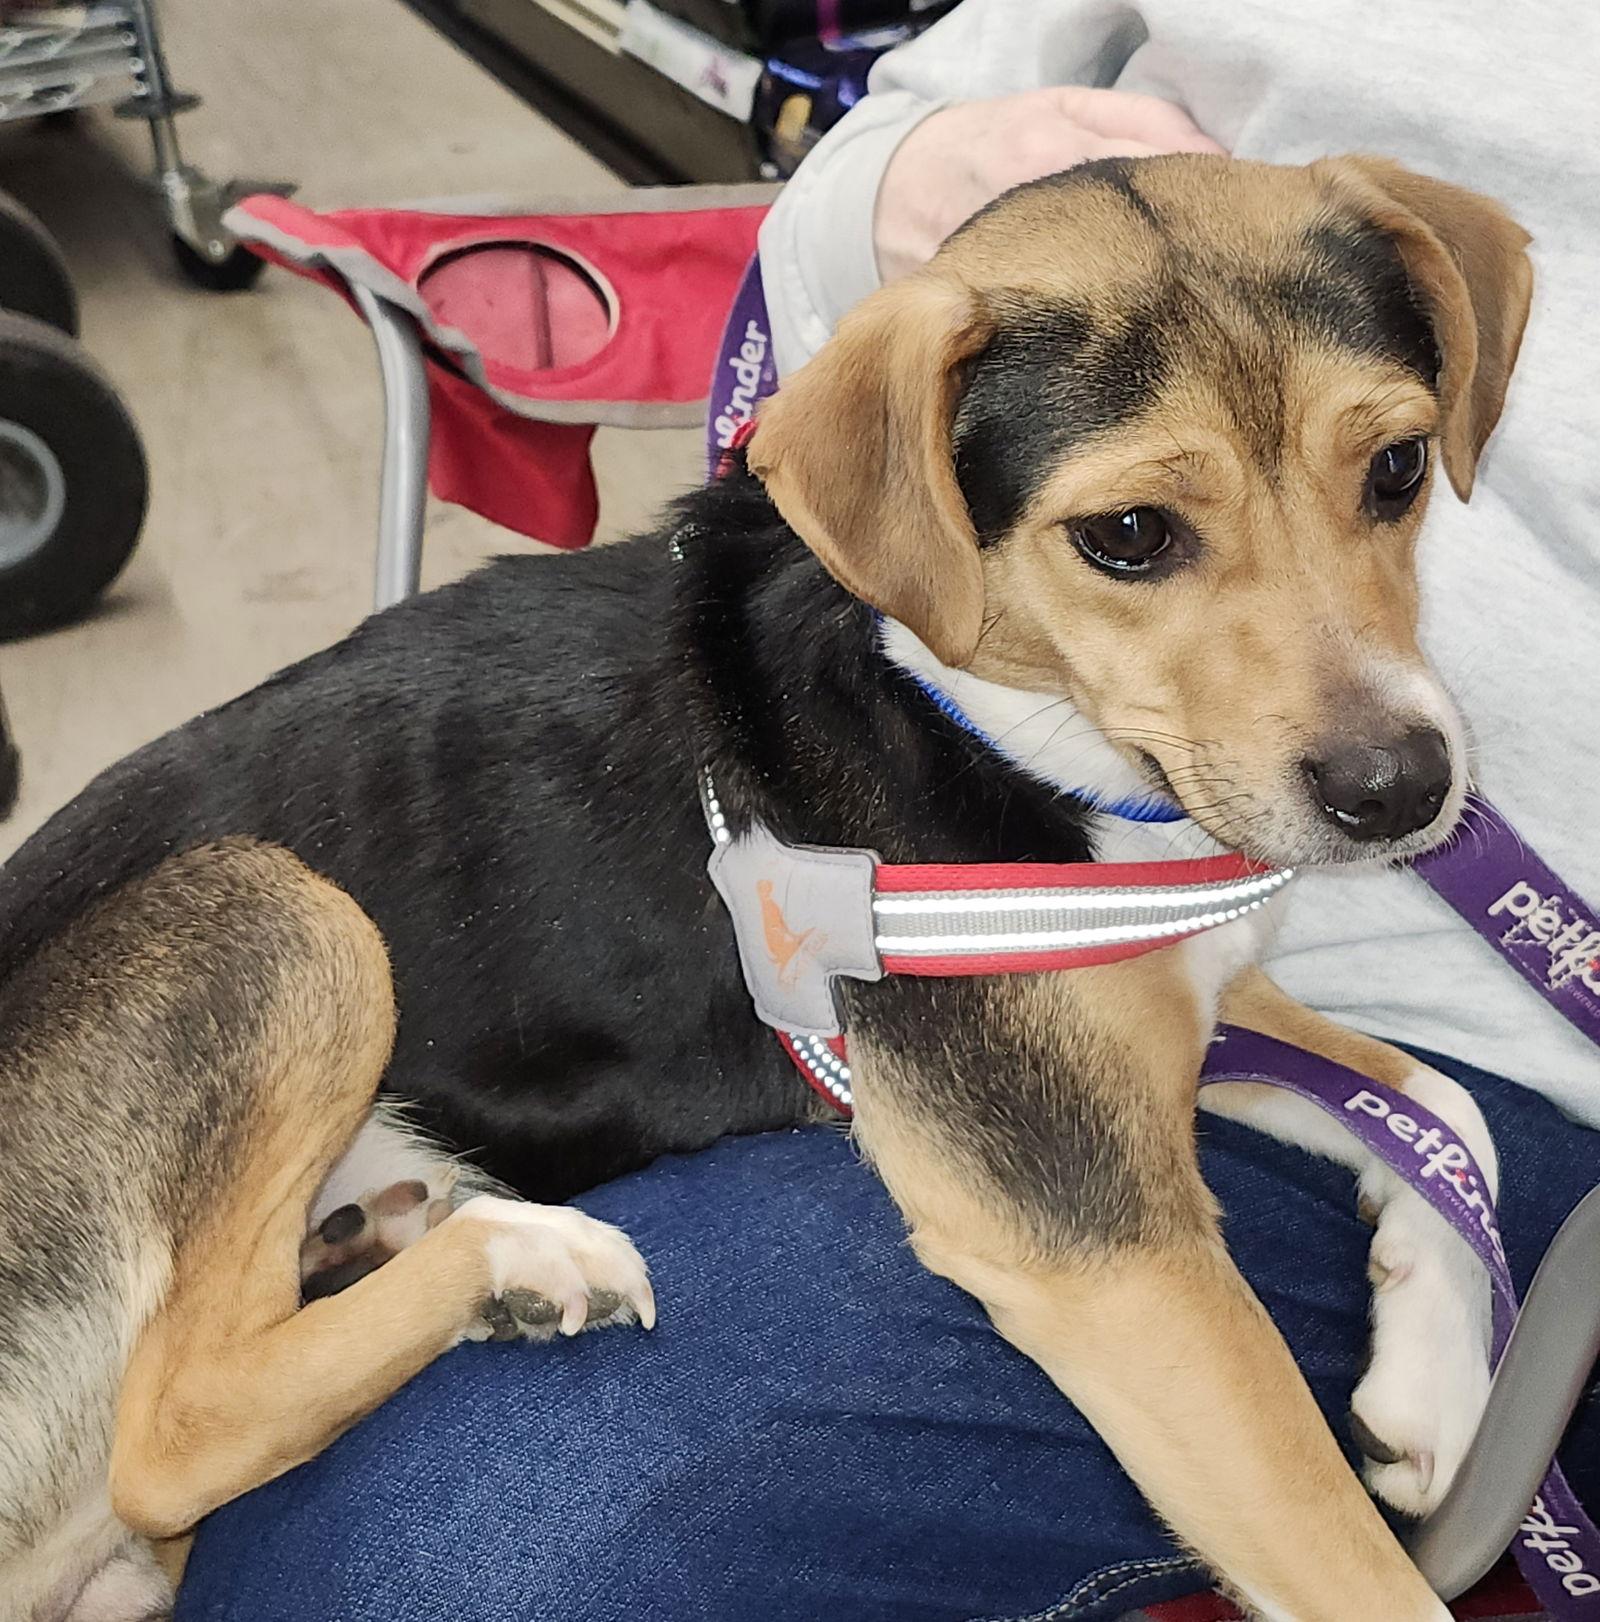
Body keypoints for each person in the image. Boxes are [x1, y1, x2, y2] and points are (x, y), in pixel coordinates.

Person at [179, 4, 1600, 1617]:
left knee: (456, 1564)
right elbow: (869, 164)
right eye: (1138, 534)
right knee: (395, 1552)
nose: (1363, 716)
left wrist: (1434, 1134)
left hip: (1511, 1060)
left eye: (1392, 474)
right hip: (1007, 914)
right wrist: (919, 169)